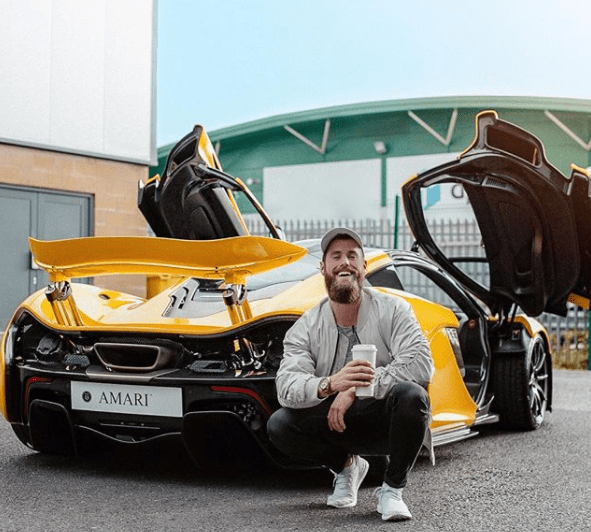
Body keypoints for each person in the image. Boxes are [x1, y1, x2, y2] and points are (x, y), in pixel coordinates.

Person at [267, 227, 434, 521]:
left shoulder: (394, 309)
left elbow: (421, 363)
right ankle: (347, 467)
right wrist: (329, 384)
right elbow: (286, 387)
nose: (345, 261)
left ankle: (392, 490)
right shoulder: (305, 326)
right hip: (336, 423)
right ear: (323, 268)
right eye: (336, 256)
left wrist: (353, 388)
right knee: (279, 424)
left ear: (363, 267)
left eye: (352, 255)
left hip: (385, 420)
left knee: (412, 395)